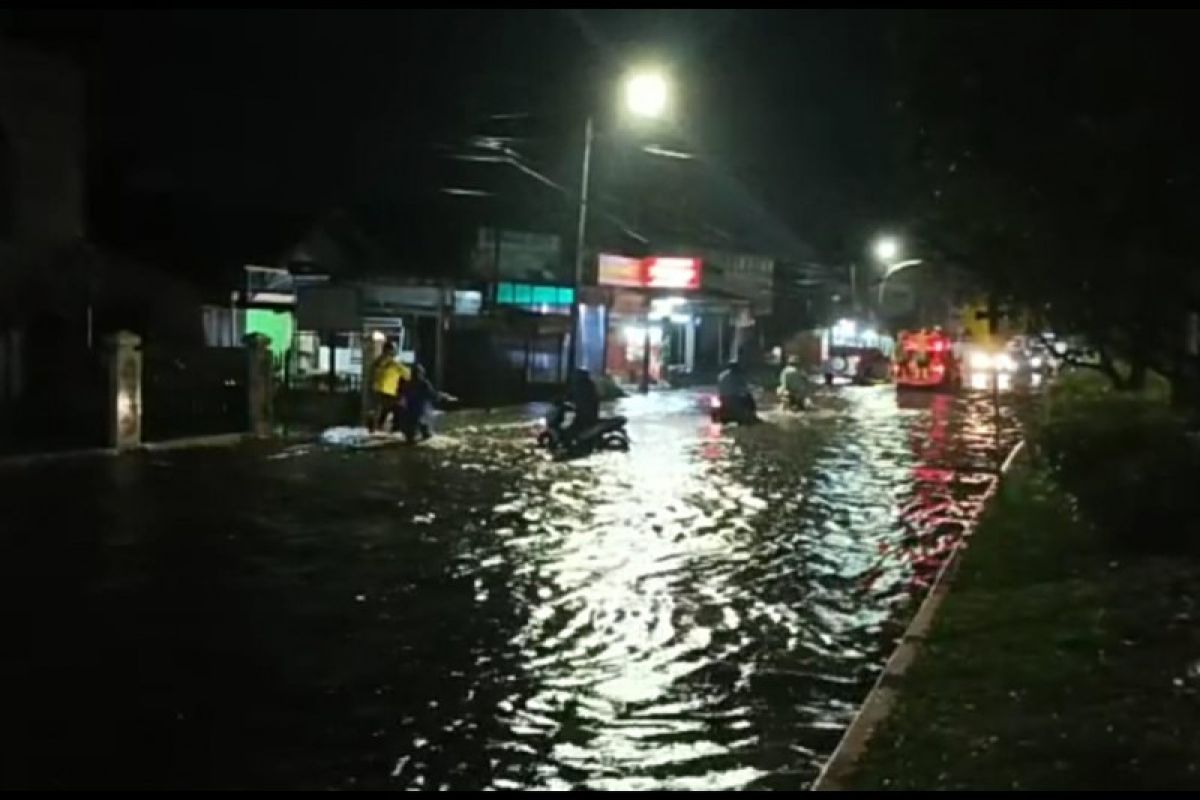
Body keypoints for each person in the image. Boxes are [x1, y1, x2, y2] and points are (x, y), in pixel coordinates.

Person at [397, 363, 453, 442]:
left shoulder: (406, 384)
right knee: (426, 436)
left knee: (410, 438)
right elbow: (433, 396)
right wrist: (444, 397)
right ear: (421, 373)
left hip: (407, 416)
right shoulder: (424, 384)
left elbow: (401, 399)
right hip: (421, 415)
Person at [369, 342, 409, 433]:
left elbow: (372, 374)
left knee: (384, 409)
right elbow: (407, 374)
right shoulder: (393, 363)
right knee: (398, 407)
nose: (395, 351)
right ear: (390, 350)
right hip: (388, 391)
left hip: (377, 390)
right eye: (394, 349)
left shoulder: (377, 361)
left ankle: (377, 426)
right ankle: (395, 428)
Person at [564, 368, 600, 438]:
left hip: (583, 414)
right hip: (591, 413)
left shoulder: (577, 386)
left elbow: (568, 396)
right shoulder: (590, 384)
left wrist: (561, 400)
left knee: (573, 429)